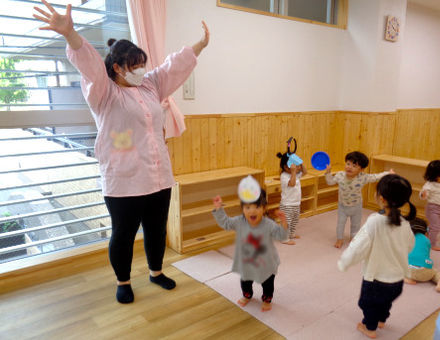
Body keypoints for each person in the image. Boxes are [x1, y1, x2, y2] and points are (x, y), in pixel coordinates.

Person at [33, 0, 209, 303]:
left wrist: (201, 44)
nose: (142, 70)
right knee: (124, 235)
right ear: (117, 67)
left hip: (158, 176)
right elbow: (89, 65)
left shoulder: (150, 86)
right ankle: (123, 281)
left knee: (156, 230)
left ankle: (156, 272)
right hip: (124, 181)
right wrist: (71, 35)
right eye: (135, 66)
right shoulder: (104, 92)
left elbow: (173, 66)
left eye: (143, 63)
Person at [338, 174, 416, 339]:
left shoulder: (374, 221)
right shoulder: (405, 223)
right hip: (397, 280)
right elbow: (410, 246)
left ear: (381, 198)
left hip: (376, 280)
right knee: (385, 302)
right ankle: (382, 319)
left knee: (367, 304)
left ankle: (370, 328)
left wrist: (345, 262)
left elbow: (358, 247)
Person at [212, 183, 288, 312]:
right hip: (247, 262)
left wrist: (284, 223)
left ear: (264, 209)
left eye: (257, 207)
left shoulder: (268, 224)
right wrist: (219, 209)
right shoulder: (239, 221)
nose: (252, 211)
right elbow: (225, 223)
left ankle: (266, 299)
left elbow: (281, 236)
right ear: (242, 209)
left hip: (266, 263)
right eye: (247, 207)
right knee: (246, 281)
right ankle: (247, 295)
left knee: (267, 284)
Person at [325, 151, 393, 248]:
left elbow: (375, 177)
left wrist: (388, 173)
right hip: (343, 206)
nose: (349, 167)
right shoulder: (340, 175)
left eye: (354, 166)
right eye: (348, 164)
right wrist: (328, 172)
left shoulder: (363, 177)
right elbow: (330, 182)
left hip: (356, 206)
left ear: (361, 169)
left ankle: (353, 238)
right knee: (340, 224)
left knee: (356, 224)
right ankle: (339, 239)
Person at [404, 217, 440, 294]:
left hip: (408, 271)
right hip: (425, 273)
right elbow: (426, 255)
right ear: (425, 231)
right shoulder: (427, 240)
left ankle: (404, 278)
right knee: (436, 273)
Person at [276, 149, 307, 245]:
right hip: (287, 204)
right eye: (295, 166)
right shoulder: (284, 176)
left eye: (297, 166)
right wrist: (293, 172)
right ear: (286, 167)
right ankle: (284, 238)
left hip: (296, 203)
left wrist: (301, 163)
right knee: (287, 222)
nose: (297, 168)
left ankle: (291, 234)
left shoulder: (296, 174)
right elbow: (292, 184)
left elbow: (305, 172)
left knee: (294, 220)